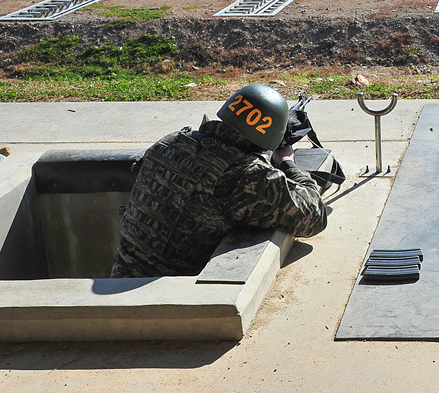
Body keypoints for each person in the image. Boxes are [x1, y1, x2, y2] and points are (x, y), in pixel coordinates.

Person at [111, 84, 329, 278]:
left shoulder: (171, 142)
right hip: (174, 300)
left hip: (120, 279)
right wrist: (287, 163)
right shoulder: (241, 174)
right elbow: (314, 216)